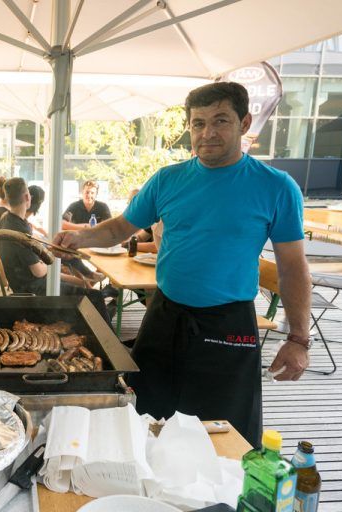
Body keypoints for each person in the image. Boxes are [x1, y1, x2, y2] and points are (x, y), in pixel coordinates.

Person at [54, 82, 312, 445]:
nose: (207, 133)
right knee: (144, 416)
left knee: (224, 433)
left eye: (220, 120)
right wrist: (79, 239)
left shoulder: (276, 187)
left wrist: (299, 338)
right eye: (198, 123)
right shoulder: (167, 180)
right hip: (164, 316)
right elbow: (122, 227)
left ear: (245, 122)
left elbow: (293, 268)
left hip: (229, 323)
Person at [0, 177, 111, 323]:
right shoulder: (19, 229)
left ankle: (88, 289)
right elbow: (38, 272)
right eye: (29, 194)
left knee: (80, 282)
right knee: (94, 296)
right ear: (26, 197)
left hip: (21, 282)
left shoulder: (5, 218)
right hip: (31, 290)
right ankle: (108, 338)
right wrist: (55, 263)